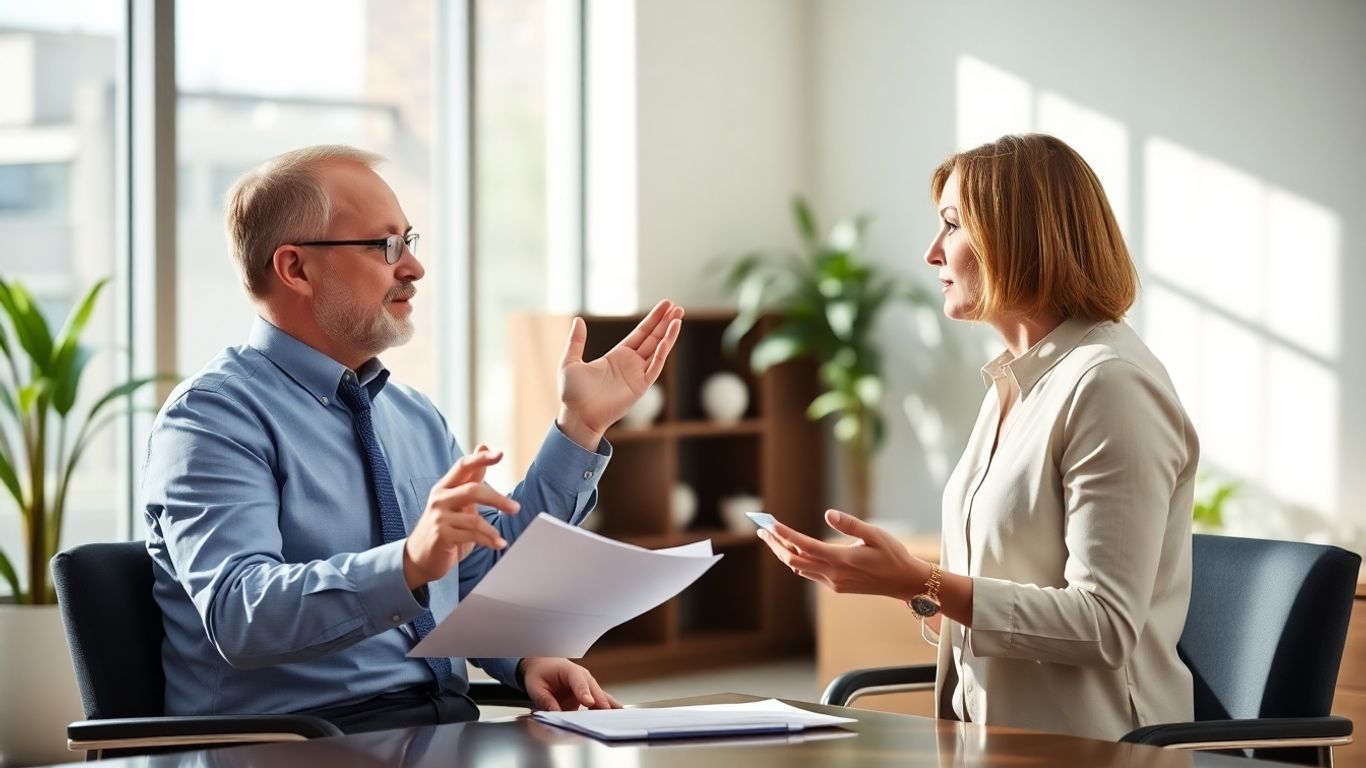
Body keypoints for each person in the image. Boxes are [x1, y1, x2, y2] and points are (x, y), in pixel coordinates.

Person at [144, 144, 685, 733]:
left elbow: (477, 574)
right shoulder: (212, 418)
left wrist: (580, 427)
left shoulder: (412, 416)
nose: (413, 268)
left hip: (439, 729)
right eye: (384, 246)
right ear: (295, 268)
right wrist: (406, 563)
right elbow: (240, 614)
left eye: (410, 241)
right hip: (295, 741)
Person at [756, 133, 1198, 740]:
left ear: (1019, 237)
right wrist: (908, 586)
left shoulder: (1111, 386)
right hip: (990, 742)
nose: (932, 253)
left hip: (1099, 749)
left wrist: (921, 580)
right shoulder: (1010, 386)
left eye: (952, 224)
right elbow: (999, 588)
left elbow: (1104, 626)